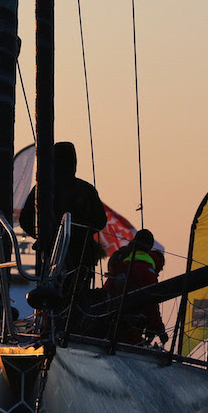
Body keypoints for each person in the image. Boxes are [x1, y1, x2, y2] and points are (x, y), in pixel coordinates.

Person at [20, 141, 107, 308]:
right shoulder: (86, 190)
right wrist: (83, 231)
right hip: (80, 252)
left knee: (51, 292)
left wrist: (42, 235)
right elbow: (100, 221)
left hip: (51, 250)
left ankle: (50, 322)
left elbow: (25, 220)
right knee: (76, 295)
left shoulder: (42, 190)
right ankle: (71, 321)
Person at [103, 228, 168, 346]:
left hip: (109, 327)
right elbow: (151, 304)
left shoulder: (123, 266)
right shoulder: (147, 271)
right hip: (131, 331)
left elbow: (107, 292)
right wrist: (160, 330)